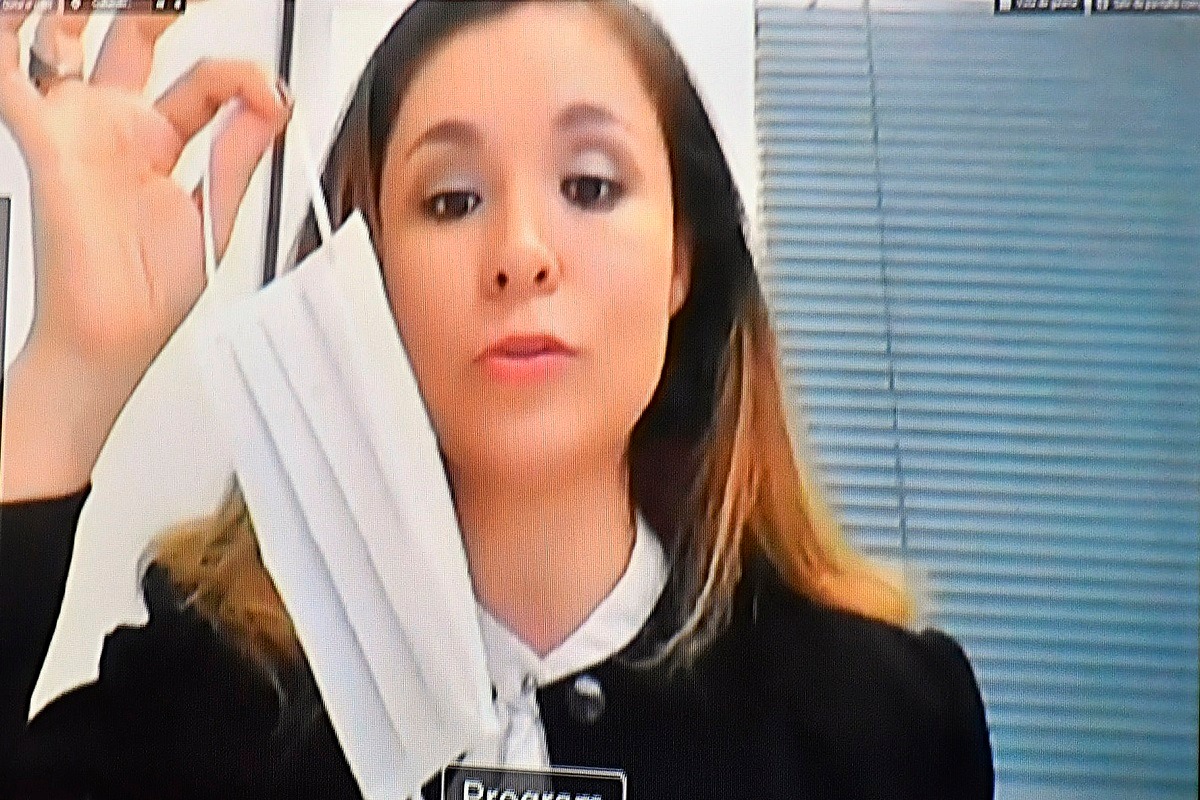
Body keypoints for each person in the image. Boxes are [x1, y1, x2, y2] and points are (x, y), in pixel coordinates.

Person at [0, 1, 995, 798]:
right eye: (452, 200)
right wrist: (71, 372)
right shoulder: (199, 699)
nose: (520, 252)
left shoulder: (885, 726)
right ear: (365, 276)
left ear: (682, 260)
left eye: (591, 186)